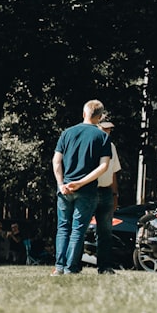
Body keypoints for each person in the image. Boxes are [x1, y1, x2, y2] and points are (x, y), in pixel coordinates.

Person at [52, 100, 111, 275]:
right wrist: (81, 183)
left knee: (63, 228)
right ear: (100, 117)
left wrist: (61, 184)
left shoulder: (67, 133)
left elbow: (56, 161)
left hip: (65, 190)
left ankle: (59, 268)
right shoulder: (102, 137)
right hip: (86, 191)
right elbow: (104, 167)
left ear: (84, 113)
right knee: (78, 230)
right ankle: (70, 268)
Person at [94, 120, 123, 274]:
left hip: (106, 192)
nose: (107, 132)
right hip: (89, 190)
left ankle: (105, 266)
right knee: (80, 229)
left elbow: (113, 173)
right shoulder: (91, 143)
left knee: (105, 232)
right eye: (104, 129)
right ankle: (72, 265)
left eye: (109, 129)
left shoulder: (111, 147)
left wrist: (115, 195)